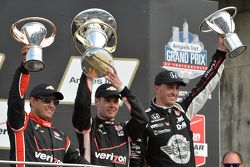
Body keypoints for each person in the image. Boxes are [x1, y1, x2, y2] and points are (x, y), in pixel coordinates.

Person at [140, 35, 228, 167]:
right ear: (157, 89)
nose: (174, 92)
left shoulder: (182, 109)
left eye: (177, 88)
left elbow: (205, 84)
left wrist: (221, 51)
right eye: (170, 87)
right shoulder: (144, 118)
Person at [7, 45, 89, 166]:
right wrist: (24, 67)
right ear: (33, 101)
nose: (52, 105)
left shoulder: (62, 138)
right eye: (46, 100)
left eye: (55, 102)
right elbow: (15, 100)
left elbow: (82, 164)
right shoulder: (22, 123)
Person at [72, 67, 148, 167]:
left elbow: (142, 119)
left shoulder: (125, 129)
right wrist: (88, 73)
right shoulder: (88, 127)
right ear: (97, 101)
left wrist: (122, 88)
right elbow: (82, 105)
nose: (112, 105)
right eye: (107, 100)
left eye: (115, 101)